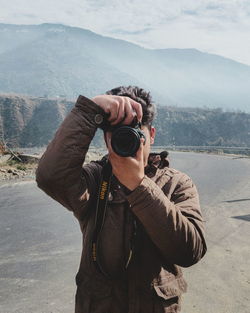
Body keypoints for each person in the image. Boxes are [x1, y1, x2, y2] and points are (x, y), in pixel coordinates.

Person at [36, 86, 207, 313]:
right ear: (106, 138)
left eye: (135, 132)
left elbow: (190, 251)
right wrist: (90, 110)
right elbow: (50, 177)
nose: (126, 140)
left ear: (152, 135)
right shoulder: (96, 178)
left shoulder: (177, 183)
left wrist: (139, 185)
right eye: (116, 133)